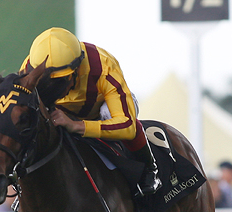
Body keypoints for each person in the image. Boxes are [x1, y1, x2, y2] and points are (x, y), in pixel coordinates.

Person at [19, 27, 161, 196]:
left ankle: (149, 170)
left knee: (107, 112)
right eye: (47, 81)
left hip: (99, 112)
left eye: (60, 80)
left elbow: (127, 125)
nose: (53, 88)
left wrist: (76, 125)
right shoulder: (28, 68)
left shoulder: (103, 66)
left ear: (77, 68)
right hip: (60, 113)